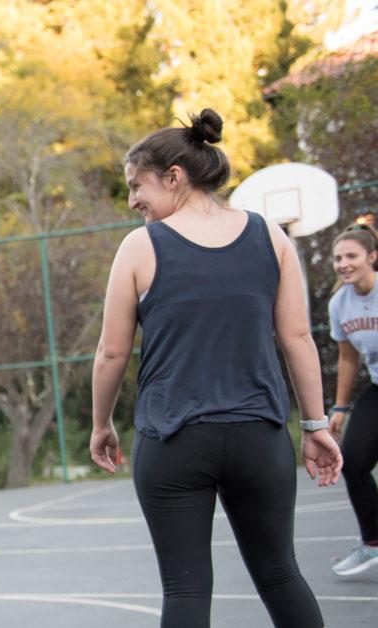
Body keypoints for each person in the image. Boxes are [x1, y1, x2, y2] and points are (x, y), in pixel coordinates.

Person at [88, 108, 343, 627]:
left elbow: (111, 353)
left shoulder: (139, 246)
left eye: (138, 186)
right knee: (280, 573)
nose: (133, 200)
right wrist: (315, 425)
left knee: (185, 587)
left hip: (174, 437)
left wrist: (101, 423)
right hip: (259, 436)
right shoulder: (271, 236)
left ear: (174, 177)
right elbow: (297, 337)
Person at [326, 222, 378, 576]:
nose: (343, 263)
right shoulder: (340, 304)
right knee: (354, 462)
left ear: (372, 258)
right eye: (337, 258)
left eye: (351, 256)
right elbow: (348, 358)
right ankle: (373, 542)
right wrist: (340, 407)